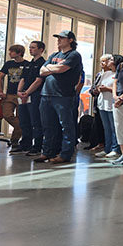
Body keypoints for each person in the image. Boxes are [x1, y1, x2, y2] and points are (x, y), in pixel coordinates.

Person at [35, 30, 82, 165]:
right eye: (58, 38)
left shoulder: (74, 55)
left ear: (70, 40)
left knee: (66, 126)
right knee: (47, 125)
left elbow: (62, 69)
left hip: (63, 95)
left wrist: (50, 67)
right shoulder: (54, 55)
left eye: (62, 38)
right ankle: (47, 152)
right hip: (46, 94)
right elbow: (41, 71)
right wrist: (53, 67)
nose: (59, 40)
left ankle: (65, 154)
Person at [16, 40, 46, 157]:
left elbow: (38, 81)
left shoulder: (43, 64)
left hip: (35, 95)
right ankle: (25, 144)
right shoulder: (28, 64)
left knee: (35, 121)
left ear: (41, 50)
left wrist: (27, 92)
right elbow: (22, 79)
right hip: (24, 96)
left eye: (33, 47)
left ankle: (37, 146)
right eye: (30, 47)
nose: (30, 49)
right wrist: (19, 91)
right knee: (24, 120)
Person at [0, 44, 28, 152]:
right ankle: (22, 128)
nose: (10, 53)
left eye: (12, 52)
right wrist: (1, 91)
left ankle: (14, 141)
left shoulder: (27, 64)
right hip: (9, 94)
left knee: (21, 117)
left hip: (22, 95)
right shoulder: (8, 64)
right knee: (7, 115)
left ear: (19, 53)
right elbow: (0, 77)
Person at [91, 54, 120, 159]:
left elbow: (119, 88)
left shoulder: (119, 73)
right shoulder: (105, 73)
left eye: (111, 60)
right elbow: (98, 86)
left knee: (114, 128)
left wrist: (107, 89)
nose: (107, 62)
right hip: (103, 103)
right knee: (106, 128)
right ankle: (107, 148)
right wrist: (99, 89)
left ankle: (115, 149)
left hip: (113, 104)